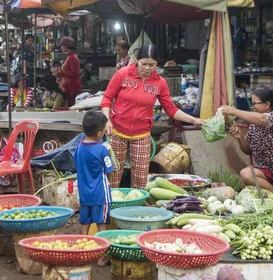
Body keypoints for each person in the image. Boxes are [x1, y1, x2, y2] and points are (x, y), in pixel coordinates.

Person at [102, 44, 206, 189]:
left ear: (157, 63)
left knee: (140, 180)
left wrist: (194, 120)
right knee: (113, 175)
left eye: (152, 65)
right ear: (137, 61)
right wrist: (106, 119)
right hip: (117, 132)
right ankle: (110, 207)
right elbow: (107, 98)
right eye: (144, 64)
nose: (147, 68)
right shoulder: (122, 74)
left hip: (142, 135)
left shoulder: (160, 83)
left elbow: (171, 109)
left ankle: (135, 209)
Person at [74, 111, 113, 267]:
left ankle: (83, 253)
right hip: (100, 195)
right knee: (102, 224)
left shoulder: (78, 148)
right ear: (99, 133)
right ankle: (102, 257)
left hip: (84, 195)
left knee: (85, 222)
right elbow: (109, 170)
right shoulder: (102, 150)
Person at [56, 37, 81, 106]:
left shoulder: (72, 58)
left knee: (71, 104)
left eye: (62, 46)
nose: (61, 48)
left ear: (66, 46)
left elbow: (74, 73)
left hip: (72, 86)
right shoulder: (70, 57)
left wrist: (60, 74)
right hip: (70, 85)